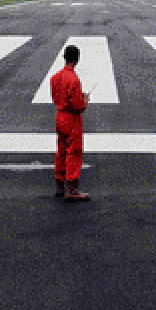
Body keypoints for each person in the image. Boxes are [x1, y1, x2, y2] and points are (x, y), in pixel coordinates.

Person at [50, 44, 91, 201]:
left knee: (61, 150)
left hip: (59, 116)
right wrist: (85, 100)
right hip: (71, 119)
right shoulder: (74, 79)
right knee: (74, 152)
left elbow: (55, 98)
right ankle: (72, 189)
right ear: (77, 59)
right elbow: (78, 106)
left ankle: (59, 184)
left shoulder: (55, 77)